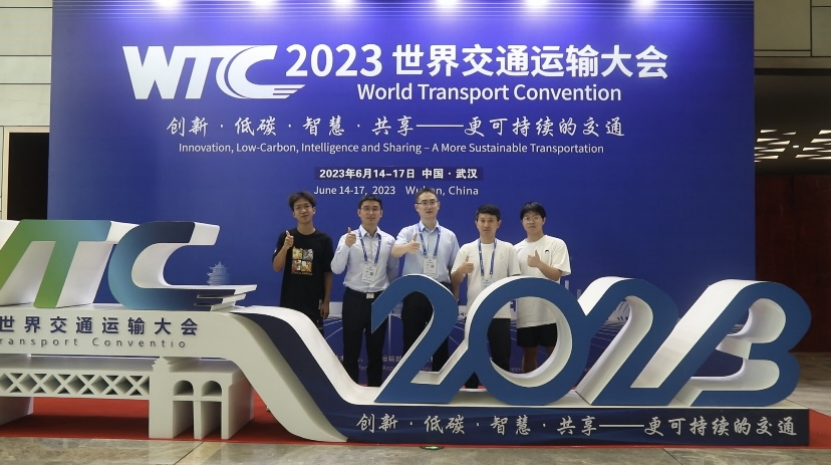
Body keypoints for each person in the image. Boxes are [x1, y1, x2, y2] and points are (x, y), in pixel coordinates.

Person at [331, 195, 399, 387]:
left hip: (379, 299)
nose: (371, 212)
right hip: (354, 299)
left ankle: (374, 390)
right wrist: (347, 246)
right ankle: (349, 392)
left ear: (381, 213)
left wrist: (388, 295)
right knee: (351, 349)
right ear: (359, 212)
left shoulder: (389, 240)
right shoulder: (348, 238)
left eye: (375, 208)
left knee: (376, 350)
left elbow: (392, 270)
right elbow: (336, 269)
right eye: (366, 208)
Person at [451, 204, 520, 388]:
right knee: (472, 357)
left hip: (501, 313)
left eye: (490, 221)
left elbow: (515, 280)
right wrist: (460, 270)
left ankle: (501, 392)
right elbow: (455, 280)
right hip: (474, 312)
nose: (486, 225)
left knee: (501, 357)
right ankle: (471, 392)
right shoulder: (466, 249)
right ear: (476, 223)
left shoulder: (508, 249)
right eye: (482, 220)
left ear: (499, 223)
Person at [391, 187, 460, 371]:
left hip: (441, 290)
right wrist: (407, 247)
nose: (428, 206)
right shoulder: (408, 232)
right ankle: (409, 379)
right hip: (415, 290)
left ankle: (439, 380)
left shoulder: (449, 236)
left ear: (438, 205)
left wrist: (455, 295)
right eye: (424, 203)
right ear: (417, 207)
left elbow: (454, 269)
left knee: (440, 340)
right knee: (411, 338)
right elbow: (395, 251)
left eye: (432, 202)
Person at [514, 202, 571, 373]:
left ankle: (556, 386)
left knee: (554, 353)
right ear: (522, 222)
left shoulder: (556, 244)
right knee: (529, 353)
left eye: (535, 217)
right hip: (527, 312)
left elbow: (556, 275)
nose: (531, 221)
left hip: (552, 312)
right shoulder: (515, 249)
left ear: (543, 220)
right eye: (527, 218)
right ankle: (528, 387)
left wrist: (539, 264)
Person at [272, 191, 334, 335]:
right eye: (298, 207)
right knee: (290, 341)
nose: (303, 210)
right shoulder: (286, 236)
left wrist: (326, 301)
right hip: (290, 303)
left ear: (314, 210)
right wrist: (286, 247)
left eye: (306, 206)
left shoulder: (324, 240)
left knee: (314, 342)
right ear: (293, 213)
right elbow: (276, 267)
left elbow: (327, 273)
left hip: (314, 303)